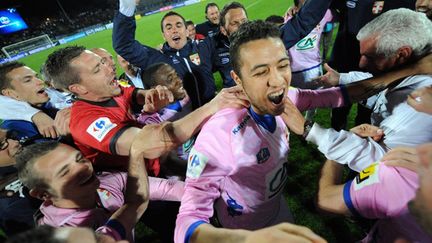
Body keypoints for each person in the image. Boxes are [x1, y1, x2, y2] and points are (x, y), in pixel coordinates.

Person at [45, 46, 247, 175]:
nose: (109, 69)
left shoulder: (111, 90)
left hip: (162, 163)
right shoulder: (85, 121)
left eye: (103, 63)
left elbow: (135, 94)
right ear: (78, 89)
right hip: (143, 187)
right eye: (98, 70)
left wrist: (152, 95)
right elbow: (150, 146)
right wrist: (213, 106)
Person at [297, 9, 432, 172]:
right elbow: (378, 88)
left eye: (371, 56)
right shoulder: (408, 74)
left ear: (402, 54)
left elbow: (380, 163)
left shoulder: (420, 104)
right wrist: (340, 79)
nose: (361, 63)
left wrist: (311, 131)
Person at [198, 0, 333, 88]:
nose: (241, 26)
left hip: (267, 107)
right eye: (234, 23)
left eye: (244, 21)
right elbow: (202, 76)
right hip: (238, 111)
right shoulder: (213, 48)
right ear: (223, 29)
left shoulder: (264, 43)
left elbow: (301, 24)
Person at [328, 0, 416, 130]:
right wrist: (297, 8)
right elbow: (330, 7)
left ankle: (360, 143)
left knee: (367, 111)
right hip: (348, 58)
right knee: (340, 105)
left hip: (379, 63)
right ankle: (334, 138)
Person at [113, 0, 216, 109]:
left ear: (186, 31)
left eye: (178, 25)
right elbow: (123, 45)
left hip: (216, 115)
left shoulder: (204, 47)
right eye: (169, 27)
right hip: (186, 121)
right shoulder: (156, 59)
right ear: (163, 36)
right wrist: (128, 5)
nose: (174, 30)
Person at [0, 62, 70, 141]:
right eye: (28, 80)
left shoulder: (50, 105)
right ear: (11, 93)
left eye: (36, 77)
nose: (40, 82)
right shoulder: (13, 131)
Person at [0, 129, 41, 236]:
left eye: (11, 136)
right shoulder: (12, 206)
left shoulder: (34, 146)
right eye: (2, 144)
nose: (16, 142)